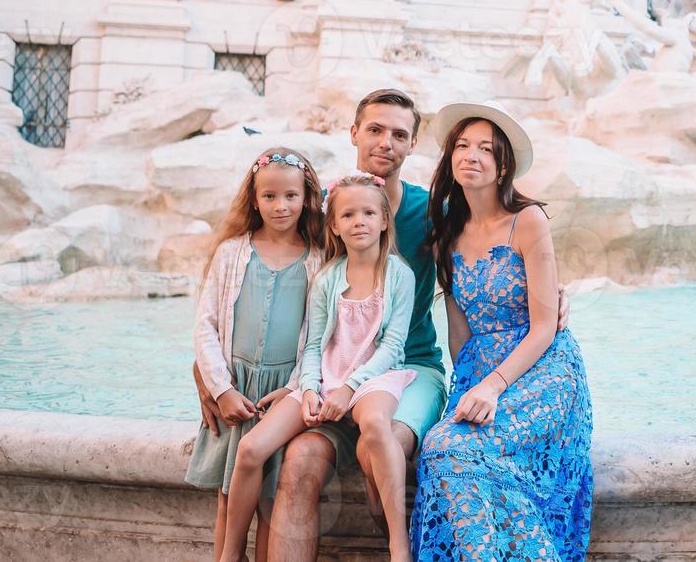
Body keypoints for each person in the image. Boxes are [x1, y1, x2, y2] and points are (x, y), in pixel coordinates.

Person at [193, 88, 571, 561]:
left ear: (413, 145)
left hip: (408, 370)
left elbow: (499, 244)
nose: (385, 143)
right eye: (374, 130)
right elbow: (260, 275)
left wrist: (555, 293)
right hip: (331, 374)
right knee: (299, 462)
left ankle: (390, 527)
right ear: (354, 133)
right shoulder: (329, 207)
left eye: (398, 134)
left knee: (383, 445)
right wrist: (209, 373)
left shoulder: (437, 212)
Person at [411, 101, 594, 560]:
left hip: (544, 370)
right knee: (440, 449)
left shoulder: (527, 220)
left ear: (502, 165)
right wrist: (466, 390)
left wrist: (493, 387)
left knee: (455, 451)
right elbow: (460, 336)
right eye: (462, 146)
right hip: (480, 372)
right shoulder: (446, 233)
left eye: (485, 150)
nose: (471, 156)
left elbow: (544, 326)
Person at [218, 171, 418, 562]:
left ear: (383, 221)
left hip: (373, 378)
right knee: (250, 448)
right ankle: (228, 555)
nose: (358, 221)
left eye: (367, 213)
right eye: (347, 216)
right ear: (335, 226)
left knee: (376, 424)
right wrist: (309, 388)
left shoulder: (399, 275)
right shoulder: (327, 278)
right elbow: (313, 345)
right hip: (325, 378)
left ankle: (399, 544)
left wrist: (349, 389)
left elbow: (393, 347)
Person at [185, 148, 327, 562]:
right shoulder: (232, 252)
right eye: (269, 196)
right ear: (254, 199)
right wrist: (220, 387)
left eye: (290, 196)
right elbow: (205, 326)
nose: (280, 206)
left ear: (306, 198)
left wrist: (296, 388)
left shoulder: (319, 258)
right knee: (228, 499)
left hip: (281, 395)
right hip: (239, 390)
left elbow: (320, 335)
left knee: (271, 502)